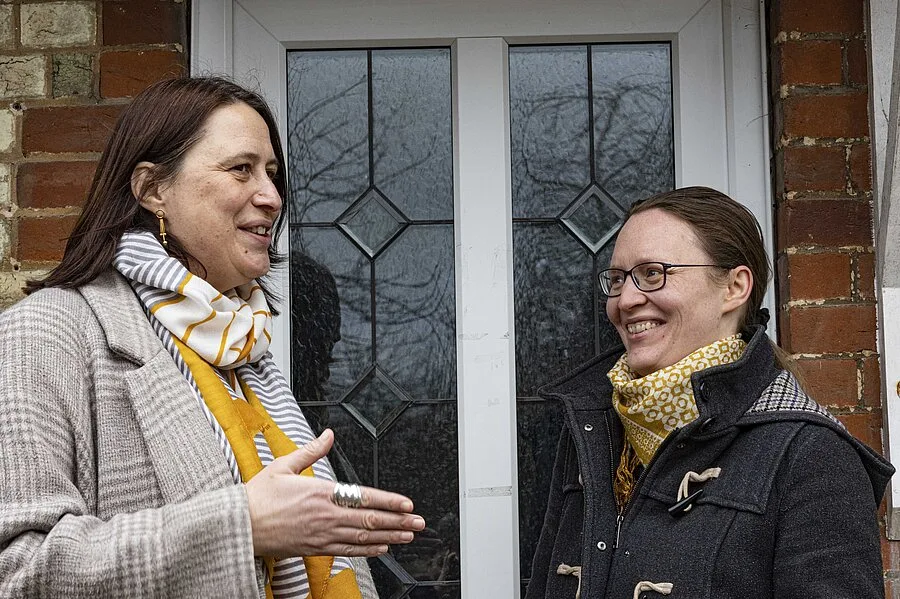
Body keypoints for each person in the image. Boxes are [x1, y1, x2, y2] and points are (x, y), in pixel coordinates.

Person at [0, 77, 426, 598]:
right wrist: (241, 525)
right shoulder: (46, 333)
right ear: (153, 189)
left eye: (272, 173)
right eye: (240, 169)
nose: (272, 196)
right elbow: (16, 573)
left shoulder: (244, 349)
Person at [525, 187, 895, 599]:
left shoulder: (810, 455)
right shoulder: (594, 429)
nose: (625, 300)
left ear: (734, 288)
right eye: (617, 279)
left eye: (653, 273)